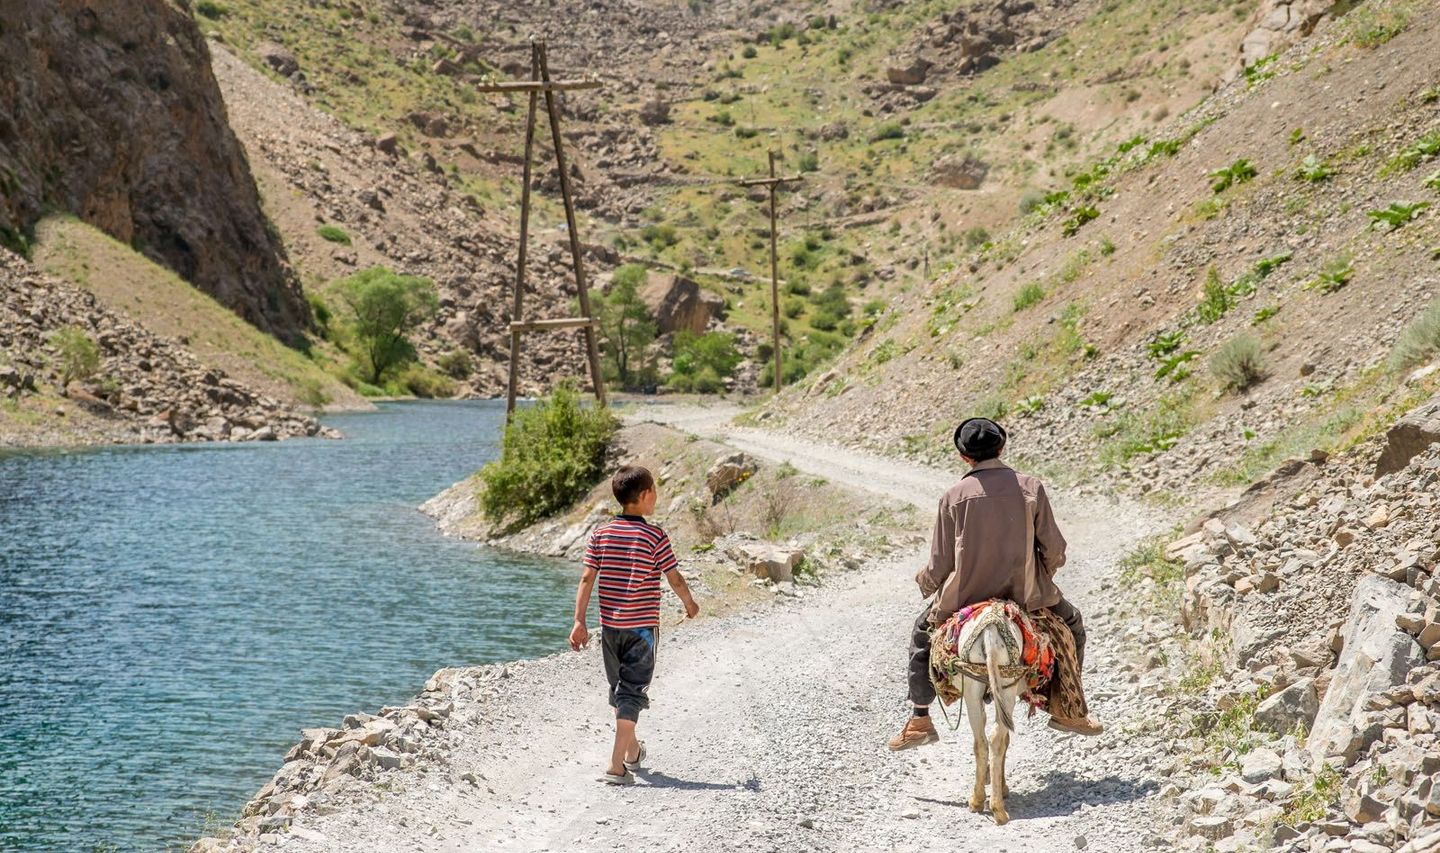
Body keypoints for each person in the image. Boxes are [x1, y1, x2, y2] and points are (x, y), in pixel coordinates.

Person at [888, 417, 1103, 751]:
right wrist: (1042, 575)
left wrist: (925, 582)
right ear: (1002, 447)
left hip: (964, 598)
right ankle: (1068, 709)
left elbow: (941, 563)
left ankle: (919, 719)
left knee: (921, 635)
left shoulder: (953, 497)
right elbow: (1055, 549)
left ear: (964, 457)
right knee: (1072, 626)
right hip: (1028, 596)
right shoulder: (1031, 487)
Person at [570, 464, 700, 784]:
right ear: (643, 496)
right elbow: (674, 577)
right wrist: (690, 603)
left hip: (610, 630)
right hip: (642, 631)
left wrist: (578, 622)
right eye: (654, 490)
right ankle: (617, 767)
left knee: (621, 691)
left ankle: (633, 752)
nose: (656, 495)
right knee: (630, 694)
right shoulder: (655, 536)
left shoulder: (600, 534)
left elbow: (587, 578)